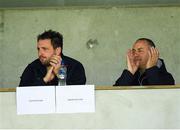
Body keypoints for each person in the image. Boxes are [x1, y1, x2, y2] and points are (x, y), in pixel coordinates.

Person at [19, 30, 86, 86]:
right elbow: (22, 94)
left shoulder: (75, 67)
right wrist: (44, 80)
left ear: (57, 50)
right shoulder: (32, 68)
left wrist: (59, 76)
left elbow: (77, 95)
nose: (40, 53)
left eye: (45, 49)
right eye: (38, 49)